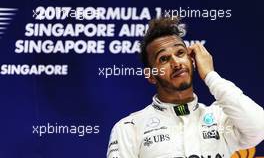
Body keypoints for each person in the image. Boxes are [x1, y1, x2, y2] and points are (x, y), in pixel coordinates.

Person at [107, 17, 264, 158]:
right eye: (164, 59)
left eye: (180, 53)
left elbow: (259, 127)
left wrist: (210, 75)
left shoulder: (220, 118)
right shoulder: (129, 128)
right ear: (150, 75)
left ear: (193, 60)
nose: (176, 63)